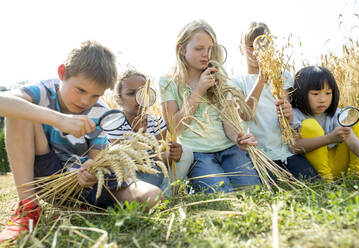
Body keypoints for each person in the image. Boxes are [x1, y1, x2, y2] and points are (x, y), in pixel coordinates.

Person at [0, 41, 161, 242]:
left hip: (85, 185)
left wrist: (91, 170)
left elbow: (95, 157)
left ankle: (83, 206)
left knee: (153, 195)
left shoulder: (101, 112)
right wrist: (59, 119)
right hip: (49, 177)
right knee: (19, 111)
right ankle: (28, 208)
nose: (86, 101)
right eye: (81, 90)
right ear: (62, 73)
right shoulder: (43, 92)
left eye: (95, 95)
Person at [159, 19, 261, 194]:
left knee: (253, 190)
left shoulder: (218, 77)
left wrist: (238, 138)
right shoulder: (168, 82)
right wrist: (198, 90)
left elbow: (228, 123)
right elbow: (175, 129)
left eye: (210, 49)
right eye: (199, 49)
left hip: (228, 149)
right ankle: (193, 184)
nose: (206, 54)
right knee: (223, 194)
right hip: (198, 154)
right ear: (181, 49)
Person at [230, 22, 319, 180]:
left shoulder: (282, 76)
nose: (257, 53)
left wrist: (288, 113)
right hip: (259, 153)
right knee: (272, 185)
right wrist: (261, 79)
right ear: (240, 49)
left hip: (284, 151)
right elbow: (245, 114)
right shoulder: (236, 81)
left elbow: (286, 114)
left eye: (263, 47)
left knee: (312, 179)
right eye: (251, 47)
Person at [107, 69, 193, 195]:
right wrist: (138, 135)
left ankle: (166, 195)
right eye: (131, 93)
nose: (139, 98)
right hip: (133, 182)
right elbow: (124, 158)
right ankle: (143, 197)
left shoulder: (156, 123)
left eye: (143, 93)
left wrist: (171, 155)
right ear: (118, 99)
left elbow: (160, 157)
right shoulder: (114, 124)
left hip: (155, 176)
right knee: (117, 152)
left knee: (186, 151)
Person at [289, 65, 359, 181]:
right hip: (314, 169)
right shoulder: (293, 114)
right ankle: (326, 182)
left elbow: (351, 137)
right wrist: (330, 138)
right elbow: (294, 147)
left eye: (328, 93)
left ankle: (357, 176)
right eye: (315, 94)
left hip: (338, 165)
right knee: (309, 125)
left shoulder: (336, 114)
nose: (323, 99)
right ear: (301, 93)